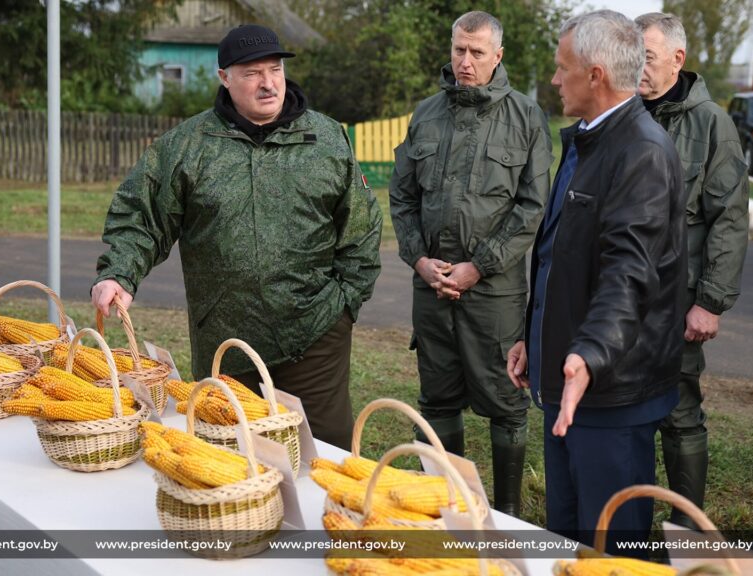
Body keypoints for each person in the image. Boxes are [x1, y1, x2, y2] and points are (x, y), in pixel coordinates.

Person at [91, 24, 383, 451]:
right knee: (230, 455)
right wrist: (119, 273)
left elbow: (361, 226)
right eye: (251, 73)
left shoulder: (325, 139)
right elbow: (143, 217)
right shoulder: (187, 146)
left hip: (314, 335)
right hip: (225, 342)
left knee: (322, 453)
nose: (268, 83)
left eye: (275, 69)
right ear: (224, 77)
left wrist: (342, 305)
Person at [506, 10, 685, 552]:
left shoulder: (640, 152)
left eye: (562, 69)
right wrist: (533, 337)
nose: (555, 80)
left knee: (611, 544)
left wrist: (588, 353)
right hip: (570, 380)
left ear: (596, 75)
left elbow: (629, 273)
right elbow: (559, 256)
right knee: (567, 536)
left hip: (610, 392)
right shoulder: (589, 139)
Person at [389, 11, 552, 517]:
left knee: (506, 404)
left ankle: (506, 516)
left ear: (497, 56)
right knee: (437, 401)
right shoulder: (427, 114)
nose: (464, 61)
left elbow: (533, 208)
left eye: (477, 52)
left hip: (494, 292)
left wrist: (478, 266)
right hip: (432, 287)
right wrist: (418, 259)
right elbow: (401, 196)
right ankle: (448, 507)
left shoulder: (526, 117)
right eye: (459, 49)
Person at [635, 12, 749, 528]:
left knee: (679, 416)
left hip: (677, 301)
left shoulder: (711, 124)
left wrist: (710, 301)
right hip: (618, 298)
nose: (635, 66)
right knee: (624, 416)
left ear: (677, 60)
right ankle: (629, 530)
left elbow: (729, 219)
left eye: (647, 56)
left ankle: (688, 533)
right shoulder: (620, 113)